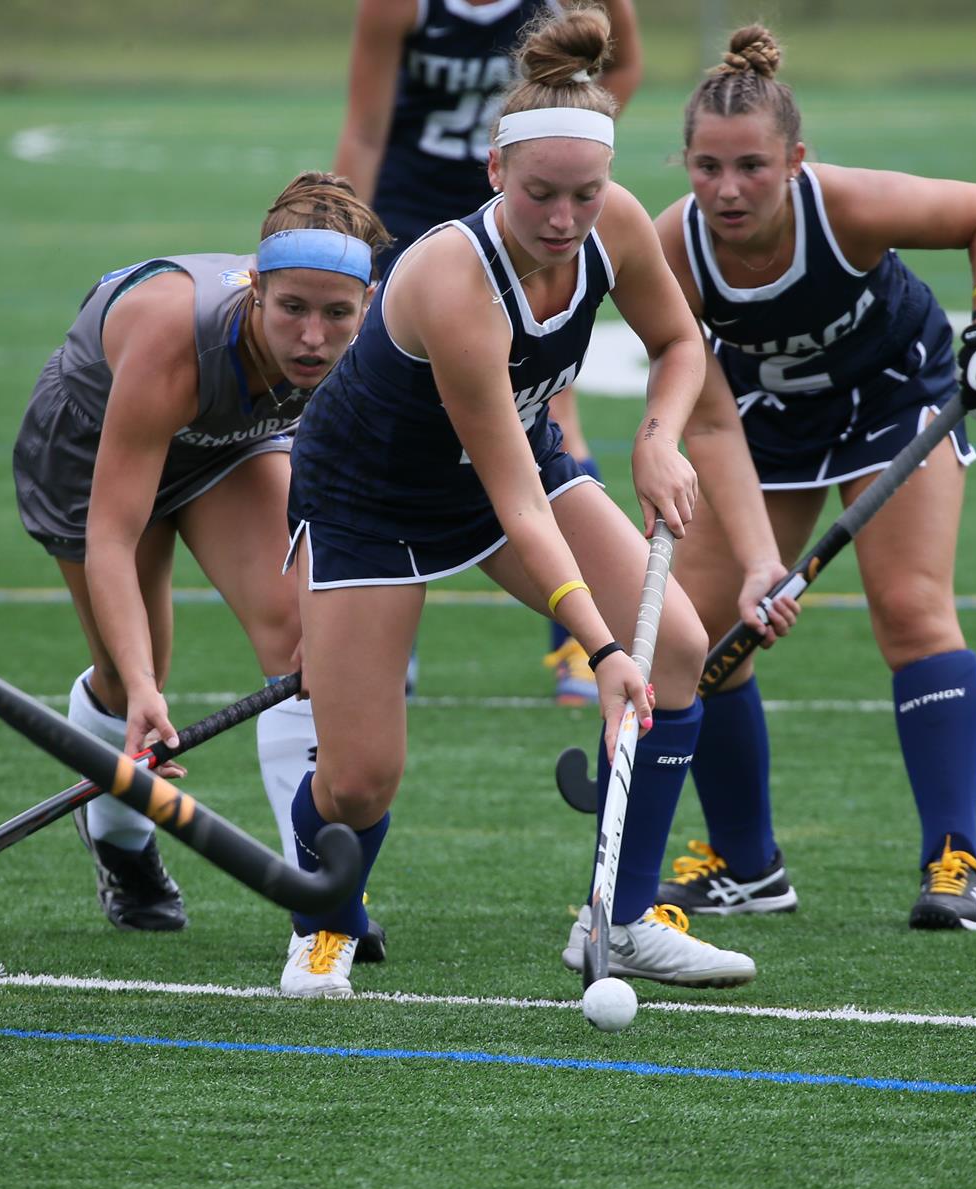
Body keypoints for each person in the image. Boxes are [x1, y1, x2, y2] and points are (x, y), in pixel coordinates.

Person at [287, 2, 756, 999]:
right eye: (540, 193)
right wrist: (598, 646)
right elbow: (518, 509)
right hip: (374, 496)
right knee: (361, 778)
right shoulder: (455, 283)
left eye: (583, 195)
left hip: (513, 470)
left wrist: (655, 436)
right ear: (494, 173)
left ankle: (616, 921)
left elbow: (681, 347)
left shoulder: (613, 224)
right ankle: (323, 919)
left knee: (678, 644)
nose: (562, 219)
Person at [649, 27, 976, 931]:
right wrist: (752, 565)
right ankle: (748, 865)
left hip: (895, 395)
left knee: (909, 607)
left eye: (752, 166)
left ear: (796, 162)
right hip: (759, 424)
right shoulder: (669, 250)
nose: (727, 190)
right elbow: (705, 418)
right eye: (706, 167)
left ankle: (954, 861)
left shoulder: (846, 206)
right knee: (693, 638)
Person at [12, 174, 389, 963]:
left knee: (301, 637)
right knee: (130, 672)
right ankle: (120, 840)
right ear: (254, 289)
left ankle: (316, 889)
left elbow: (337, 494)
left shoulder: (368, 343)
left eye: (336, 314)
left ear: (367, 300)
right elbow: (113, 534)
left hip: (232, 441)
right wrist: (148, 687)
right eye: (291, 309)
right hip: (94, 451)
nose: (313, 338)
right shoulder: (169, 337)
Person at [331, 0, 642, 705]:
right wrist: (356, 250)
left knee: (550, 412)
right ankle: (385, 633)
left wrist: (567, 146)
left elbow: (623, 62)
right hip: (415, 226)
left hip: (534, 220)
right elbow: (366, 127)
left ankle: (576, 649)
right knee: (397, 417)